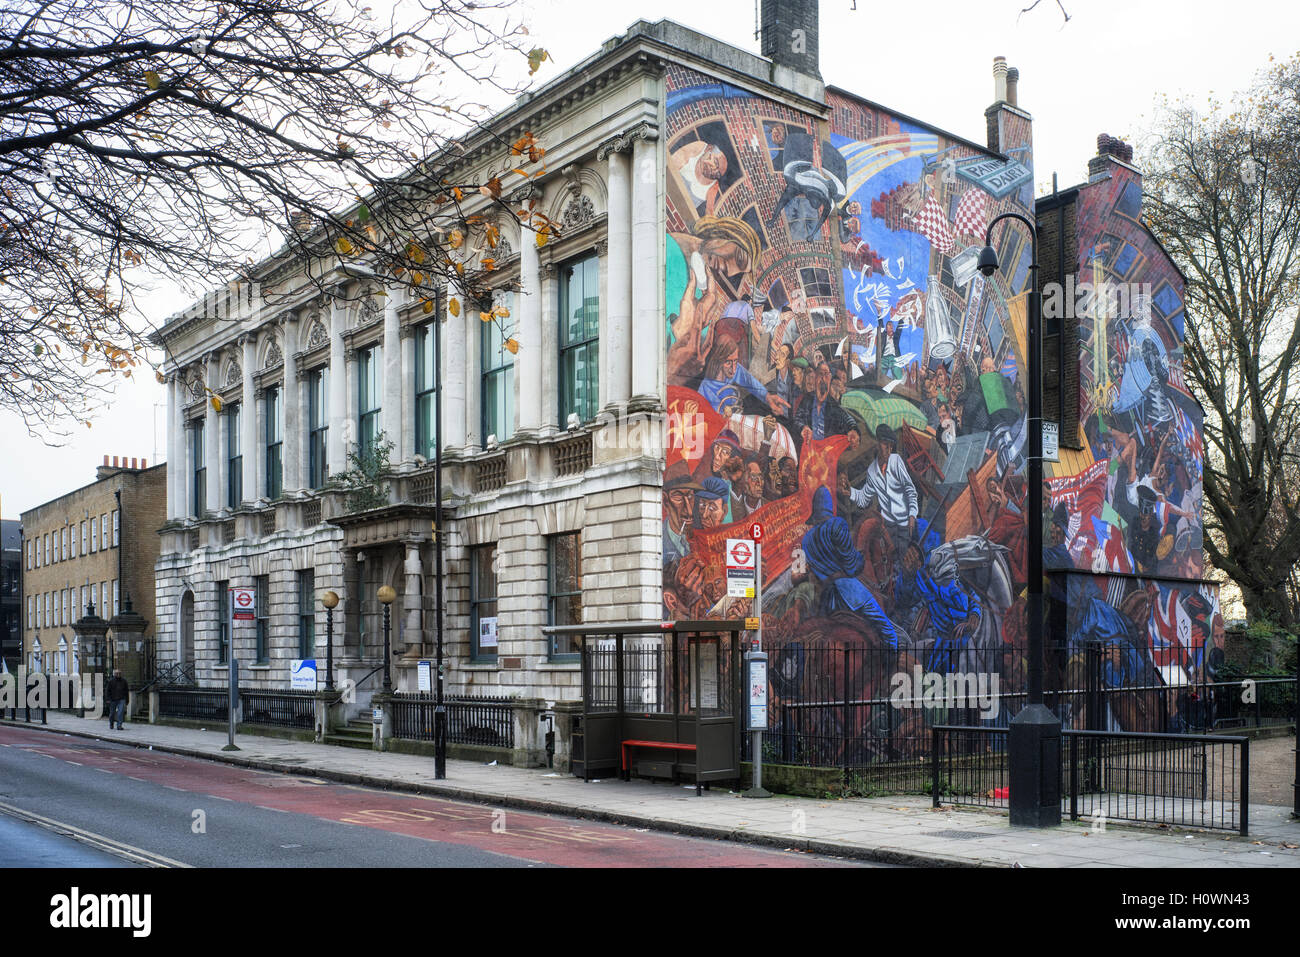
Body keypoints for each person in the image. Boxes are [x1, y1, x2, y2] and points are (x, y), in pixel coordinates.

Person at [848, 424, 919, 566]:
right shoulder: (872, 471)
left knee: (906, 558)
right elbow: (863, 498)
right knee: (890, 560)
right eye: (885, 445)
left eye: (891, 446)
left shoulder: (896, 461)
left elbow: (910, 490)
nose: (888, 449)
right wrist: (849, 491)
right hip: (888, 524)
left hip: (905, 522)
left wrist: (912, 514)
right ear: (877, 444)